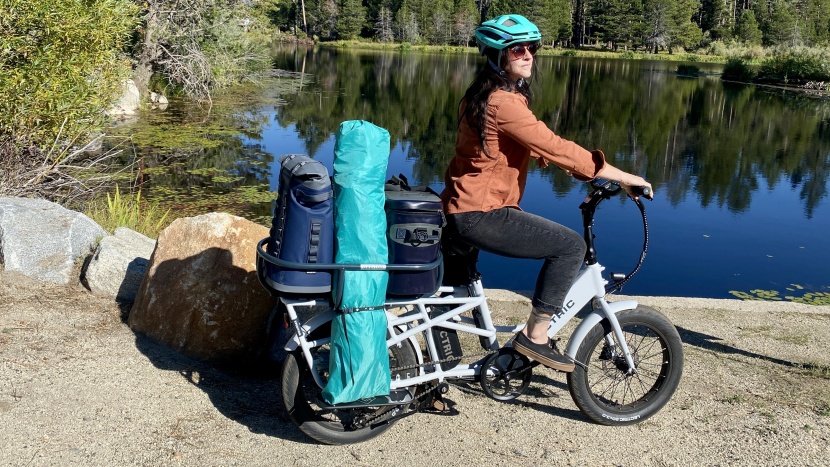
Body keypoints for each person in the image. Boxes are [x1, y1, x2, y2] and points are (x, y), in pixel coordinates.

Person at [441, 14, 653, 372]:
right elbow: (559, 147)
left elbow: (508, 144)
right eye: (518, 49)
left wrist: (537, 154)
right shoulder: (504, 103)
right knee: (571, 247)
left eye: (532, 48)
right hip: (482, 212)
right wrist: (625, 176)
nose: (528, 55)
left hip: (462, 206)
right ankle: (535, 336)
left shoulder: (483, 95)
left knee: (453, 294)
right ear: (497, 56)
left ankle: (439, 372)